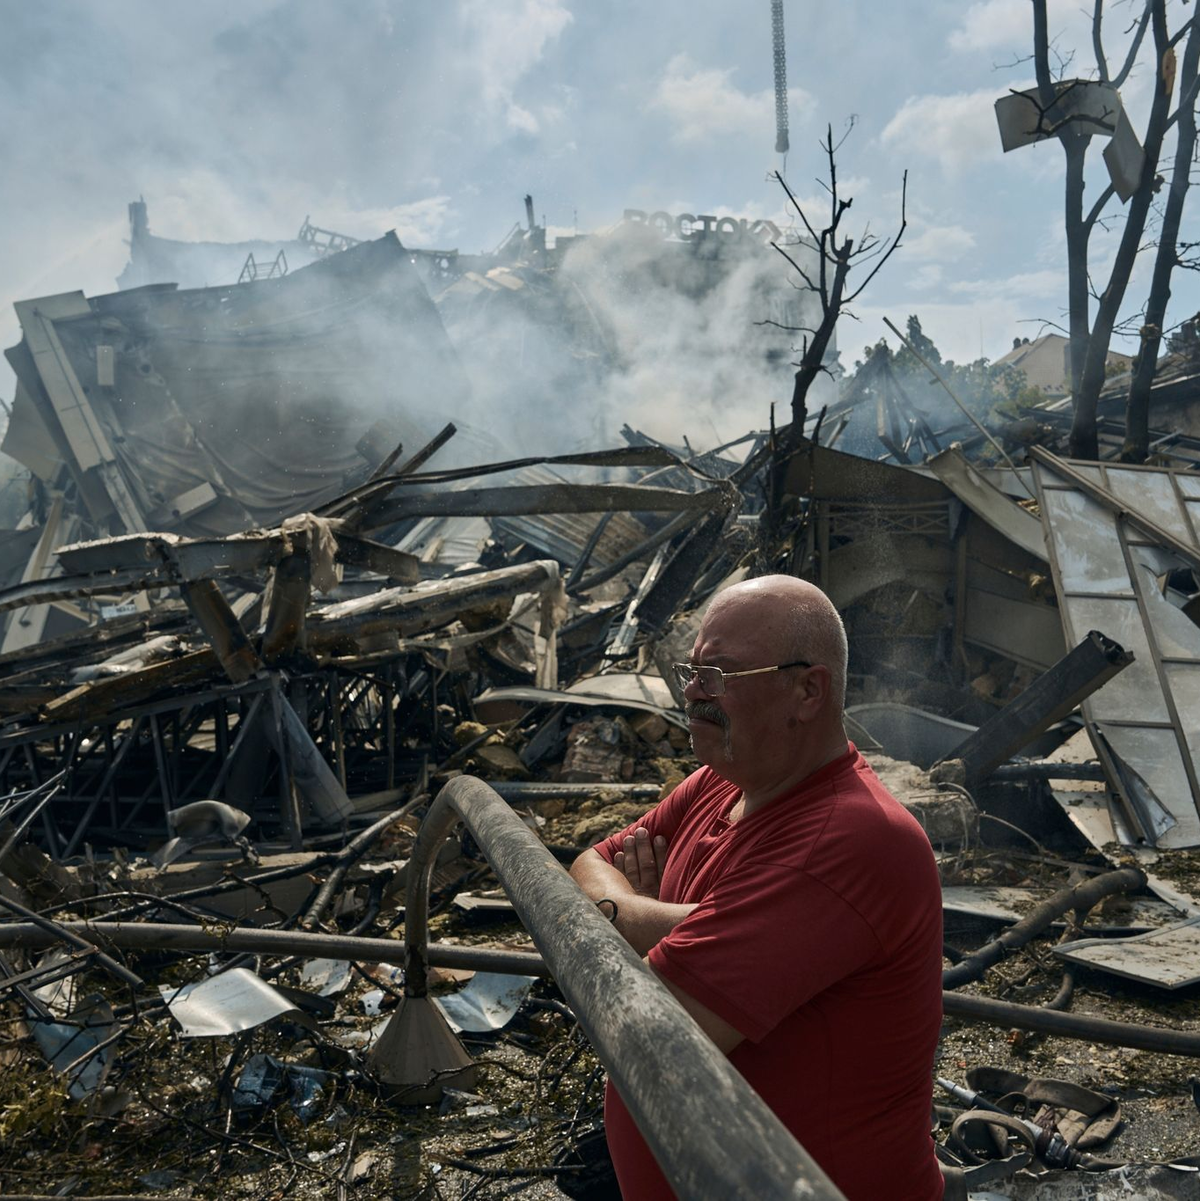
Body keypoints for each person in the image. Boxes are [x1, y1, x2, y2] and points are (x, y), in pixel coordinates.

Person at [569, 575, 944, 1200]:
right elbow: (589, 860)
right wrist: (663, 918)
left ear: (806, 690)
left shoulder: (849, 840)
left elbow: (651, 1025)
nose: (693, 694)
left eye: (720, 675)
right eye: (692, 671)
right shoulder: (722, 782)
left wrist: (619, 923)